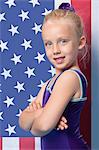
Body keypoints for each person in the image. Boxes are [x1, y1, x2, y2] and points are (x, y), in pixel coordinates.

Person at [19, 3, 90, 150]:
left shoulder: (70, 78)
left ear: (80, 42)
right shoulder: (50, 83)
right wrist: (42, 113)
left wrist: (38, 116)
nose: (55, 50)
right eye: (48, 44)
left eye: (63, 41)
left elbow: (40, 127)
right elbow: (23, 122)